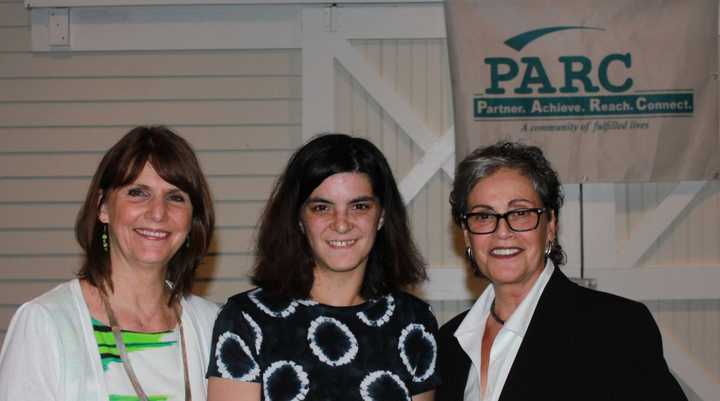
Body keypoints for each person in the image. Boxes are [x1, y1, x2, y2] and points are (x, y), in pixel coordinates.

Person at [436, 142, 687, 401]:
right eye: (484, 216)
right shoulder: (448, 342)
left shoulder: (615, 328)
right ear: (467, 235)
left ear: (551, 224)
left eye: (520, 212)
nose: (502, 232)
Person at [207, 133, 440, 401]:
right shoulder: (245, 320)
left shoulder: (415, 321)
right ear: (298, 219)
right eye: (321, 208)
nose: (341, 224)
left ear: (382, 216)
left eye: (359, 206)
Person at [0, 126, 219, 401]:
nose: (158, 212)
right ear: (103, 207)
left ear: (193, 219)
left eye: (175, 197)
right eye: (138, 192)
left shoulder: (213, 326)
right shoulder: (45, 323)